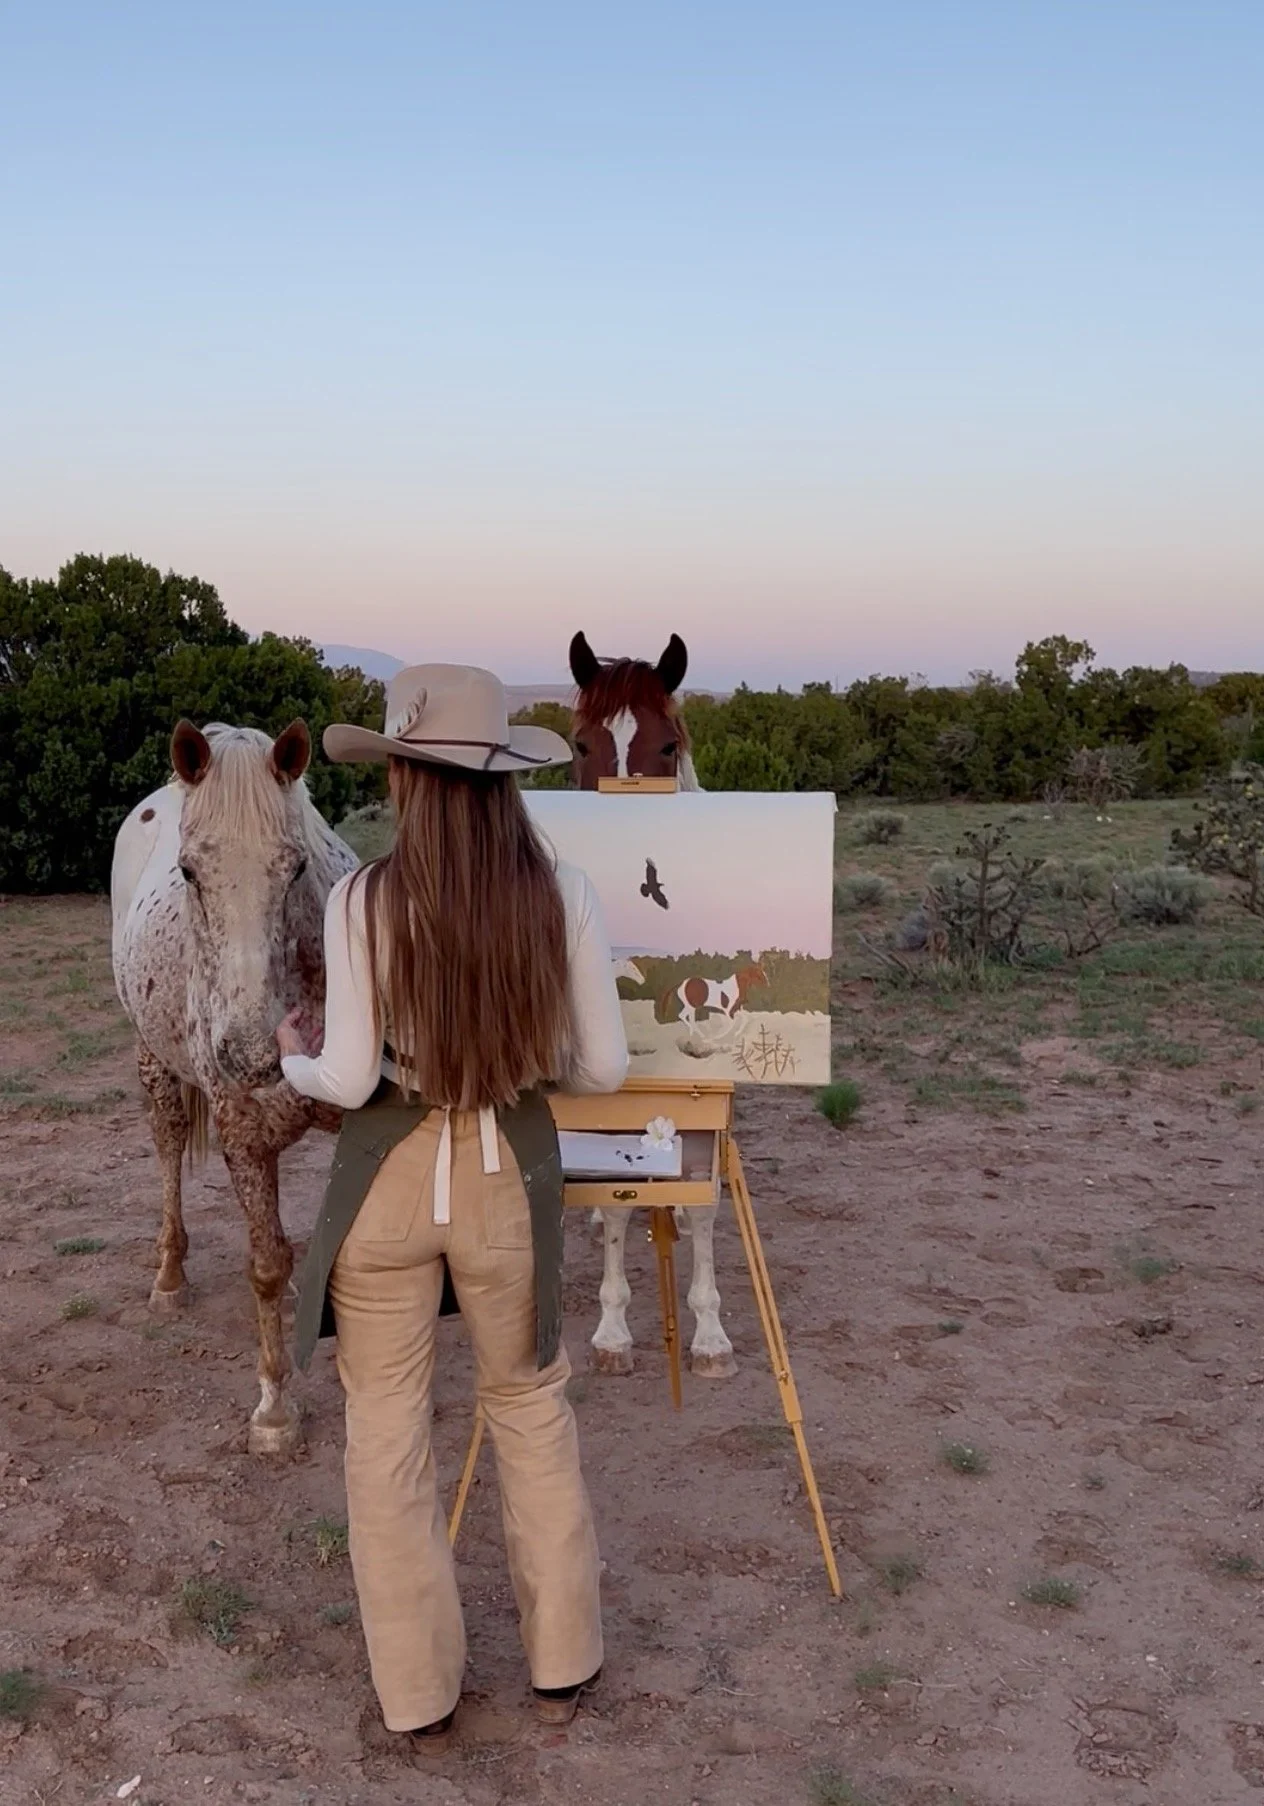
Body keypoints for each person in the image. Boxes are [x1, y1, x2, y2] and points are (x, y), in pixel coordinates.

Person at [277, 663, 628, 1752]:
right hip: (501, 1193)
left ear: (405, 780)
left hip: (385, 1190)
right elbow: (605, 1072)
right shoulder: (559, 893)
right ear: (500, 780)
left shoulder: (361, 899)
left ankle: (419, 1692)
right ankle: (562, 1661)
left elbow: (343, 1082)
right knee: (529, 1412)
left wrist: (293, 1057)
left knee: (384, 1435)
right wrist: (530, 1054)